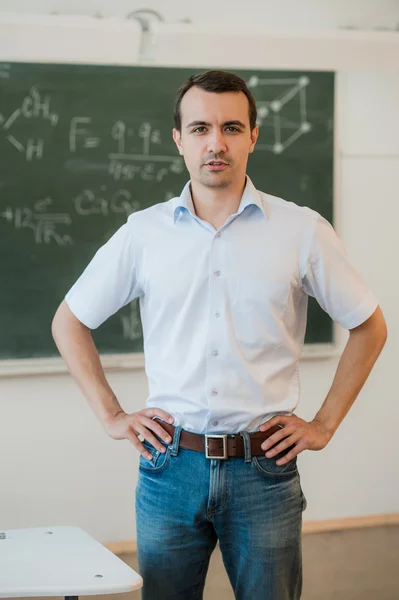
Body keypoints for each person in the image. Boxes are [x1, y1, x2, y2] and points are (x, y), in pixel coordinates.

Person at [52, 70, 387, 600]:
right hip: (169, 466)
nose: (216, 142)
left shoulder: (301, 230)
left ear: (253, 136)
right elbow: (69, 321)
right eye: (201, 128)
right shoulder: (144, 233)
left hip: (264, 471)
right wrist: (113, 416)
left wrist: (324, 424)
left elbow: (370, 326)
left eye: (231, 127)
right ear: (179, 140)